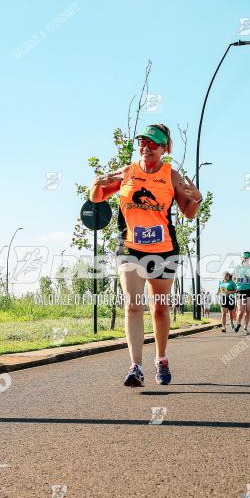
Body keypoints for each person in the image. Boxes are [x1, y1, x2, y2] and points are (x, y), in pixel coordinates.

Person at [90, 123, 203, 386]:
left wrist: (196, 199)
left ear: (165, 148)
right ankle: (135, 366)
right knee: (132, 304)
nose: (146, 147)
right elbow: (96, 197)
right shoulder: (127, 172)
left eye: (153, 143)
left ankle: (161, 358)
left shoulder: (171, 176)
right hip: (130, 246)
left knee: (160, 308)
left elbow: (188, 211)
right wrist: (96, 183)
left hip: (163, 249)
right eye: (142, 142)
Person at [233, 251, 250, 334]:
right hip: (240, 290)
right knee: (240, 311)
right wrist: (237, 280)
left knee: (248, 310)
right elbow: (234, 278)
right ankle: (238, 323)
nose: (246, 259)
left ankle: (245, 328)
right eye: (244, 257)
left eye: (247, 258)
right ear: (242, 258)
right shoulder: (237, 267)